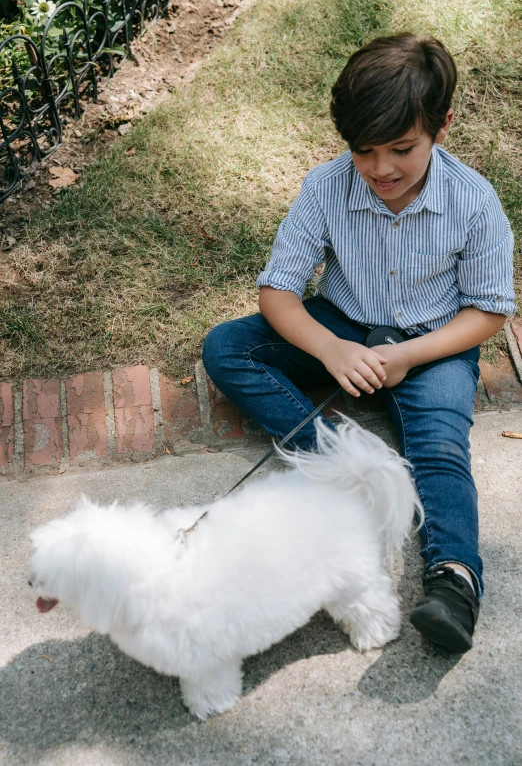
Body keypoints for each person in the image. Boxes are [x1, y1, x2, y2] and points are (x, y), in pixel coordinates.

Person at [202, 33, 516, 653]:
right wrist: (330, 349)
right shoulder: (326, 188)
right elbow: (279, 294)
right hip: (340, 322)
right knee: (226, 348)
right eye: (363, 151)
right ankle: (343, 457)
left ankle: (454, 578)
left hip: (434, 345)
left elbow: (488, 313)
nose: (380, 169)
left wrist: (406, 356)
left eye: (402, 148)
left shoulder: (475, 203)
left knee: (441, 451)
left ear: (441, 127)